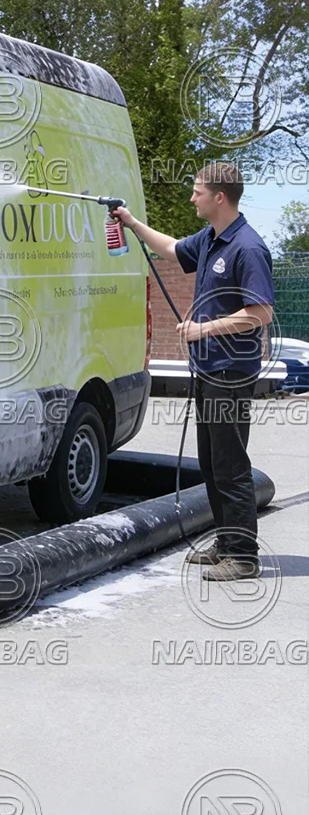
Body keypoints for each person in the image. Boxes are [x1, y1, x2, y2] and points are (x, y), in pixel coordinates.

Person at [112, 162, 275, 581]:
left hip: (230, 372)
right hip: (207, 370)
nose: (192, 197)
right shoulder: (210, 239)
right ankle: (226, 541)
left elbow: (260, 312)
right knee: (211, 461)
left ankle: (243, 556)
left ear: (219, 197)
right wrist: (131, 223)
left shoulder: (247, 247)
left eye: (197, 191)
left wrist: (203, 328)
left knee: (230, 463)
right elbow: (171, 249)